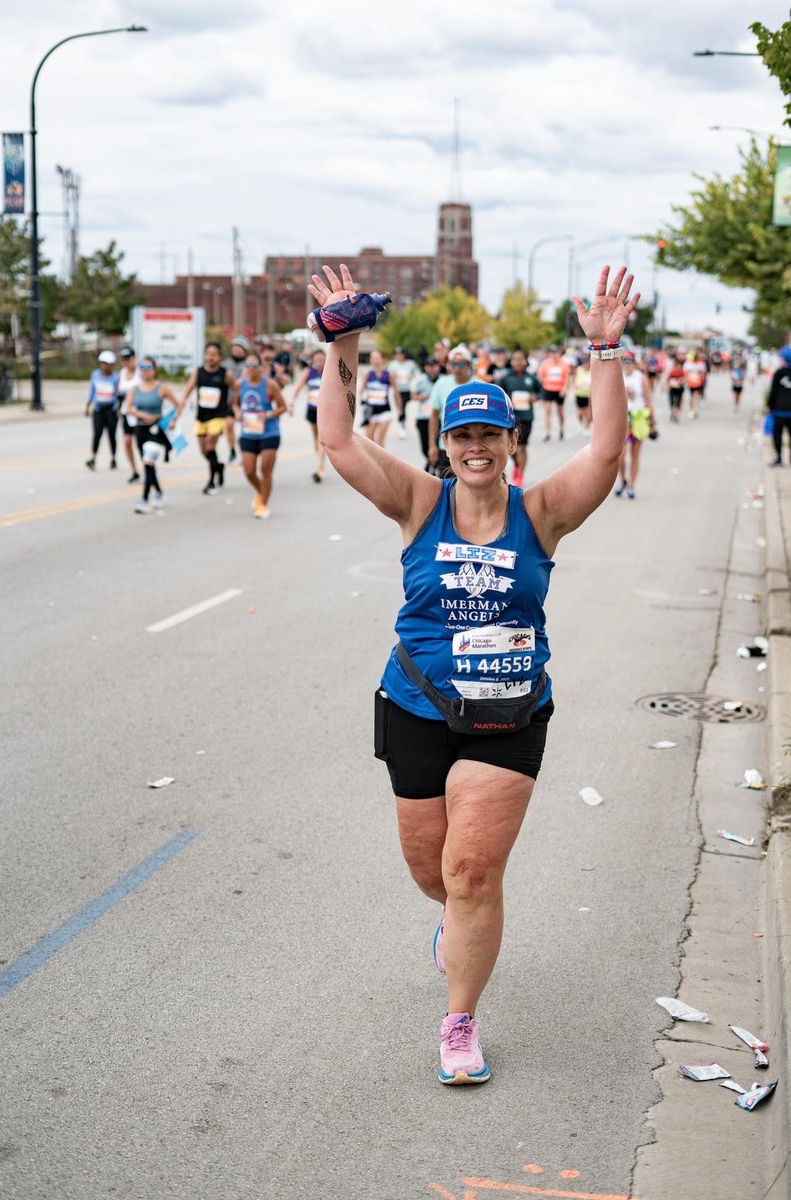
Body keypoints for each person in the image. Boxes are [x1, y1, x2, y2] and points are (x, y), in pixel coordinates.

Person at [309, 261, 639, 1085]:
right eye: (463, 435)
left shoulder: (542, 513)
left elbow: (605, 449)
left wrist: (606, 353)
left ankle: (459, 1022)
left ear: (512, 444)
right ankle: (456, 925)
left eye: (491, 435)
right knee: (432, 873)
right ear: (444, 444)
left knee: (472, 871)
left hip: (510, 715)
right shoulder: (419, 502)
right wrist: (341, 342)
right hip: (416, 706)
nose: (477, 447)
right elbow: (339, 441)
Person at [232, 352, 288, 516]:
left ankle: (263, 503)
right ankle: (261, 491)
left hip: (269, 433)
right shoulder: (240, 385)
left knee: (265, 470)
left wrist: (268, 414)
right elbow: (235, 404)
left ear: (261, 367)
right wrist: (237, 413)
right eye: (248, 365)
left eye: (254, 365)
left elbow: (282, 407)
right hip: (248, 432)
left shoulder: (269, 385)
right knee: (249, 471)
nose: (251, 369)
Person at [180, 342, 238, 495]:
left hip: (218, 416)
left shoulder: (226, 374)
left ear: (220, 357)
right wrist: (182, 401)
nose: (210, 357)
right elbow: (188, 389)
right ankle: (218, 466)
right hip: (201, 416)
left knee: (210, 447)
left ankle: (211, 482)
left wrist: (232, 405)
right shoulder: (198, 372)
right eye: (208, 354)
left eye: (214, 354)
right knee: (203, 451)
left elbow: (236, 390)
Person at [124, 357, 180, 514]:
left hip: (155, 429)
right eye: (142, 367)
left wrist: (173, 420)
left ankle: (144, 499)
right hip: (140, 429)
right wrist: (139, 413)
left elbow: (178, 405)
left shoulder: (162, 388)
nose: (145, 370)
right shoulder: (134, 389)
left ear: (154, 370)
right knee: (148, 464)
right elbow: (127, 408)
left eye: (148, 367)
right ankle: (160, 493)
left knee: (148, 460)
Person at [427, 346, 478, 476]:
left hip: (472, 446)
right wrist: (432, 445)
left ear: (468, 365)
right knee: (446, 488)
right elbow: (433, 416)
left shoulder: (479, 386)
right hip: (447, 447)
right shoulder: (441, 383)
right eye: (453, 364)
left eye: (461, 364)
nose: (457, 367)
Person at [614, 352, 654, 499]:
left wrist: (652, 421)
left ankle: (631, 484)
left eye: (629, 362)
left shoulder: (640, 378)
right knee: (620, 455)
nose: (627, 365)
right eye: (624, 362)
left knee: (635, 454)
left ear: (634, 363)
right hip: (623, 418)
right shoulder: (618, 377)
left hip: (638, 417)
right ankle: (623, 480)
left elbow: (648, 399)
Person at [497, 348, 540, 484]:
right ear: (512, 362)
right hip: (511, 418)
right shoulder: (505, 378)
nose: (518, 362)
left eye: (521, 359)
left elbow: (541, 391)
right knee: (512, 447)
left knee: (522, 447)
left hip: (527, 417)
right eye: (516, 360)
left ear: (525, 361)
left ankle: (520, 474)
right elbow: (498, 394)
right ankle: (517, 465)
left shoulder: (531, 378)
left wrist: (535, 397)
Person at [292, 348, 328, 483]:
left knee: (322, 438)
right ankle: (320, 462)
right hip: (312, 408)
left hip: (325, 411)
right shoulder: (309, 372)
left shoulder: (329, 372)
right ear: (313, 361)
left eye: (322, 359)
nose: (319, 362)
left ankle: (320, 467)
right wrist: (292, 402)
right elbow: (298, 387)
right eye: (317, 360)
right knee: (316, 437)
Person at [85, 351, 119, 471]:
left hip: (111, 410)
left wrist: (119, 409)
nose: (105, 366)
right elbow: (92, 392)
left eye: (107, 364)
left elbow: (118, 394)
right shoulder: (95, 375)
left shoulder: (115, 377)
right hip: (99, 409)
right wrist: (88, 406)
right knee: (97, 434)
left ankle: (113, 458)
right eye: (103, 363)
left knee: (111, 435)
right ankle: (93, 458)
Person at [360, 349, 399, 448]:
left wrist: (400, 410)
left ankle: (381, 463)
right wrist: (362, 401)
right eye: (372, 358)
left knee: (380, 440)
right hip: (371, 410)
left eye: (377, 358)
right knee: (369, 441)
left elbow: (396, 392)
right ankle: (370, 463)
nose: (375, 360)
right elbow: (361, 391)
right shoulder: (367, 374)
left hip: (384, 410)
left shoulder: (389, 375)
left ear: (382, 359)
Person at [224, 335, 252, 462]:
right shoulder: (225, 364)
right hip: (229, 401)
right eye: (235, 347)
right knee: (229, 425)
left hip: (245, 401)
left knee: (245, 428)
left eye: (240, 348)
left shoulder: (249, 365)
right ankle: (232, 450)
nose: (237, 350)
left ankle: (245, 452)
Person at [411, 357, 442, 471]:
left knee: (438, 444)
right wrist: (423, 397)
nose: (431, 369)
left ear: (438, 367)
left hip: (438, 417)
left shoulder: (442, 380)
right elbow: (413, 396)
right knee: (425, 447)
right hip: (423, 416)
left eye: (434, 366)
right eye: (429, 366)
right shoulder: (420, 380)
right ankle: (432, 464)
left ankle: (432, 467)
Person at [116, 347, 142, 483]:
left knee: (141, 443)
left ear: (133, 357)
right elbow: (119, 393)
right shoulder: (122, 373)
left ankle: (147, 467)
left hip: (139, 412)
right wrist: (119, 408)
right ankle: (134, 470)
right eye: (123, 359)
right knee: (127, 441)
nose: (126, 362)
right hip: (127, 412)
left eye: (128, 359)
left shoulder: (141, 372)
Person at [537, 346, 571, 441]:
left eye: (556, 353)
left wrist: (564, 389)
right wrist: (542, 387)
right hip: (548, 389)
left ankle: (561, 429)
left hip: (559, 390)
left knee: (560, 411)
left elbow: (567, 378)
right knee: (547, 410)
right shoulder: (546, 363)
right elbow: (541, 376)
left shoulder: (564, 364)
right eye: (552, 353)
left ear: (559, 353)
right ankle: (547, 432)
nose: (554, 355)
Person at [766, 346, 791, 466]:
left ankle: (779, 458)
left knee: (778, 435)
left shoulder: (779, 373)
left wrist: (769, 406)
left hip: (779, 410)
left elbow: (773, 391)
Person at [387, 347, 418, 439]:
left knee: (402, 407)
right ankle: (402, 423)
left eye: (400, 354)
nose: (399, 356)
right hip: (397, 390)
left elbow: (417, 372)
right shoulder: (393, 364)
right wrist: (393, 376)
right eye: (397, 354)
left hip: (407, 389)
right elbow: (388, 375)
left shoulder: (410, 364)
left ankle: (402, 425)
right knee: (400, 409)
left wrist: (411, 376)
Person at [572, 353, 593, 436]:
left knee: (588, 412)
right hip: (580, 394)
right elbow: (574, 381)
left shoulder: (592, 370)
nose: (586, 364)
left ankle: (587, 427)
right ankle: (580, 423)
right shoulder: (579, 369)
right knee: (580, 412)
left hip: (589, 395)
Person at [683, 352, 706, 418]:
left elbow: (703, 373)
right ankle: (691, 409)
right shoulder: (688, 364)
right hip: (691, 383)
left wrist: (702, 381)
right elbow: (685, 373)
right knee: (691, 396)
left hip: (698, 383)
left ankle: (695, 409)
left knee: (696, 396)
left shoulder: (701, 364)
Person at [666, 355, 685, 423]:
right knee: (672, 402)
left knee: (678, 403)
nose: (678, 367)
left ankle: (676, 415)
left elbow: (684, 380)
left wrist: (681, 381)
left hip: (679, 389)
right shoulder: (672, 372)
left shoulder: (682, 372)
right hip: (672, 389)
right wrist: (667, 386)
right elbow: (668, 380)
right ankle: (672, 413)